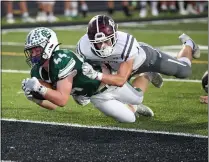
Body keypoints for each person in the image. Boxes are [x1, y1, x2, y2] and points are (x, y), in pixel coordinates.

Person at [21, 27, 156, 123]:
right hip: (96, 97)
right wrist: (37, 99)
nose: (33, 55)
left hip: (107, 83)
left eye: (36, 50)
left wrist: (40, 89)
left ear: (49, 45)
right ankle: (133, 107)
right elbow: (54, 105)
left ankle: (147, 74)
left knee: (138, 98)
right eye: (31, 51)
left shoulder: (62, 58)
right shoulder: (36, 71)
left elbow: (62, 100)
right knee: (129, 119)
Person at [76, 15, 200, 91]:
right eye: (98, 43)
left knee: (185, 71)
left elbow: (120, 79)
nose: (103, 47)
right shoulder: (84, 47)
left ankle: (188, 44)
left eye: (107, 41)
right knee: (112, 90)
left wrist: (97, 75)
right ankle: (147, 77)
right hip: (119, 68)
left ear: (115, 35)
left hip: (144, 59)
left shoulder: (125, 43)